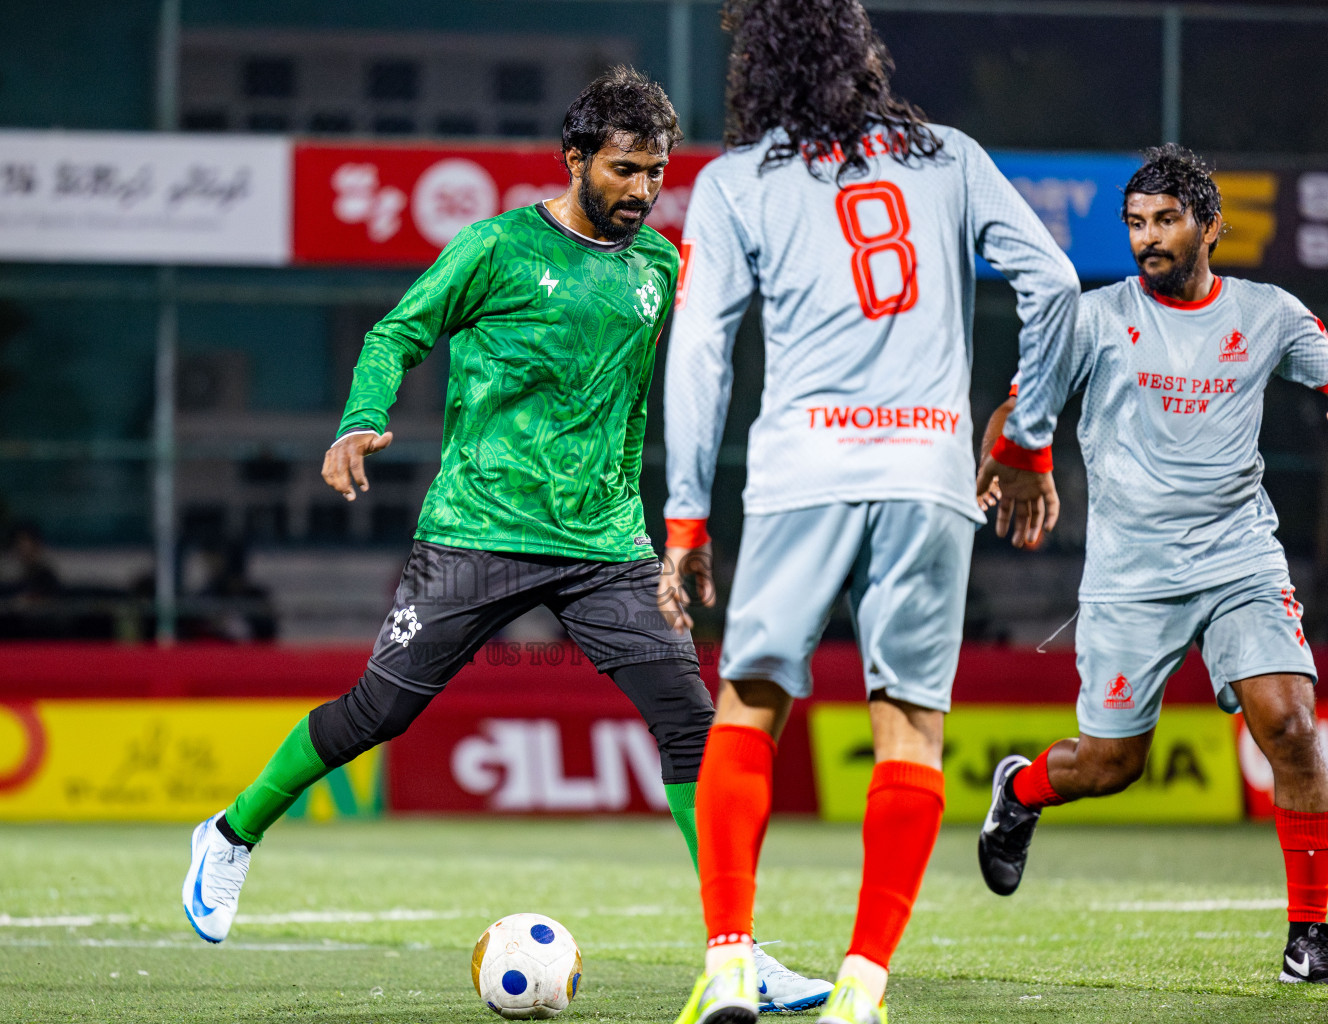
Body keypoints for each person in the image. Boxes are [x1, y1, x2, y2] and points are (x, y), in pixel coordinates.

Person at [180, 66, 828, 1008]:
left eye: (656, 170)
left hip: (607, 544)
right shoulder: (494, 248)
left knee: (694, 727)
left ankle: (736, 952)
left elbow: (698, 372)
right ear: (574, 160)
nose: (645, 190)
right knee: (379, 713)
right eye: (624, 169)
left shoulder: (661, 266)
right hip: (476, 529)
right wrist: (359, 418)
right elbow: (397, 334)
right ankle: (231, 834)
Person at [659, 2, 1079, 1021]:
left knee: (749, 704)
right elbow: (1057, 285)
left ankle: (727, 963)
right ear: (865, 59)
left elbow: (701, 353)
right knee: (910, 728)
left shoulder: (733, 184)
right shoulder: (951, 160)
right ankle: (862, 984)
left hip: (802, 465)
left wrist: (684, 517)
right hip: (928, 466)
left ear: (756, 67)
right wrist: (1024, 437)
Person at [976, 143, 1328, 986]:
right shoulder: (1095, 318)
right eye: (1135, 223)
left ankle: (1311, 933)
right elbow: (1018, 412)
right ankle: (1020, 795)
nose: (1147, 238)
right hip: (1132, 577)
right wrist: (1011, 455)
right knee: (1109, 767)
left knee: (1292, 726)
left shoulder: (1267, 313)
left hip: (1239, 555)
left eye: (1165, 220)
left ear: (1210, 225)